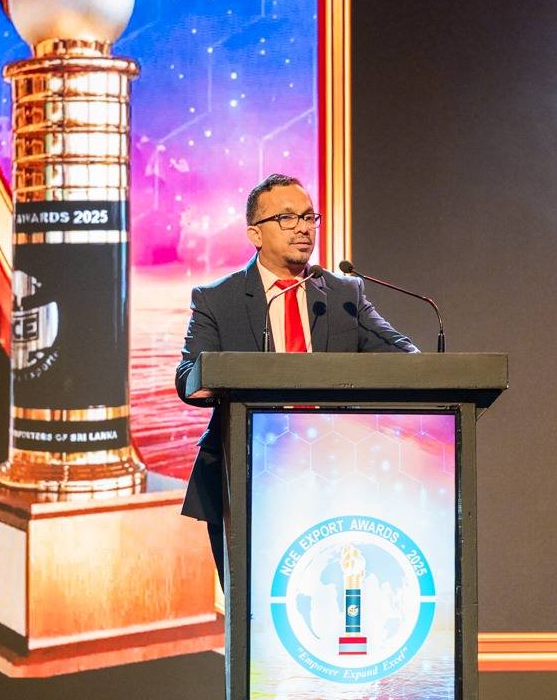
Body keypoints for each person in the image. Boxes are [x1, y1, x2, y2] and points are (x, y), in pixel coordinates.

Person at [176, 173, 418, 583]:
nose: (303, 228)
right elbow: (187, 378)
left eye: (309, 217)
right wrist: (236, 376)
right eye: (287, 218)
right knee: (250, 603)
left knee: (331, 589)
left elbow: (404, 358)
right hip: (242, 473)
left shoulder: (345, 295)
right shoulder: (217, 299)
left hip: (337, 471)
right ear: (255, 233)